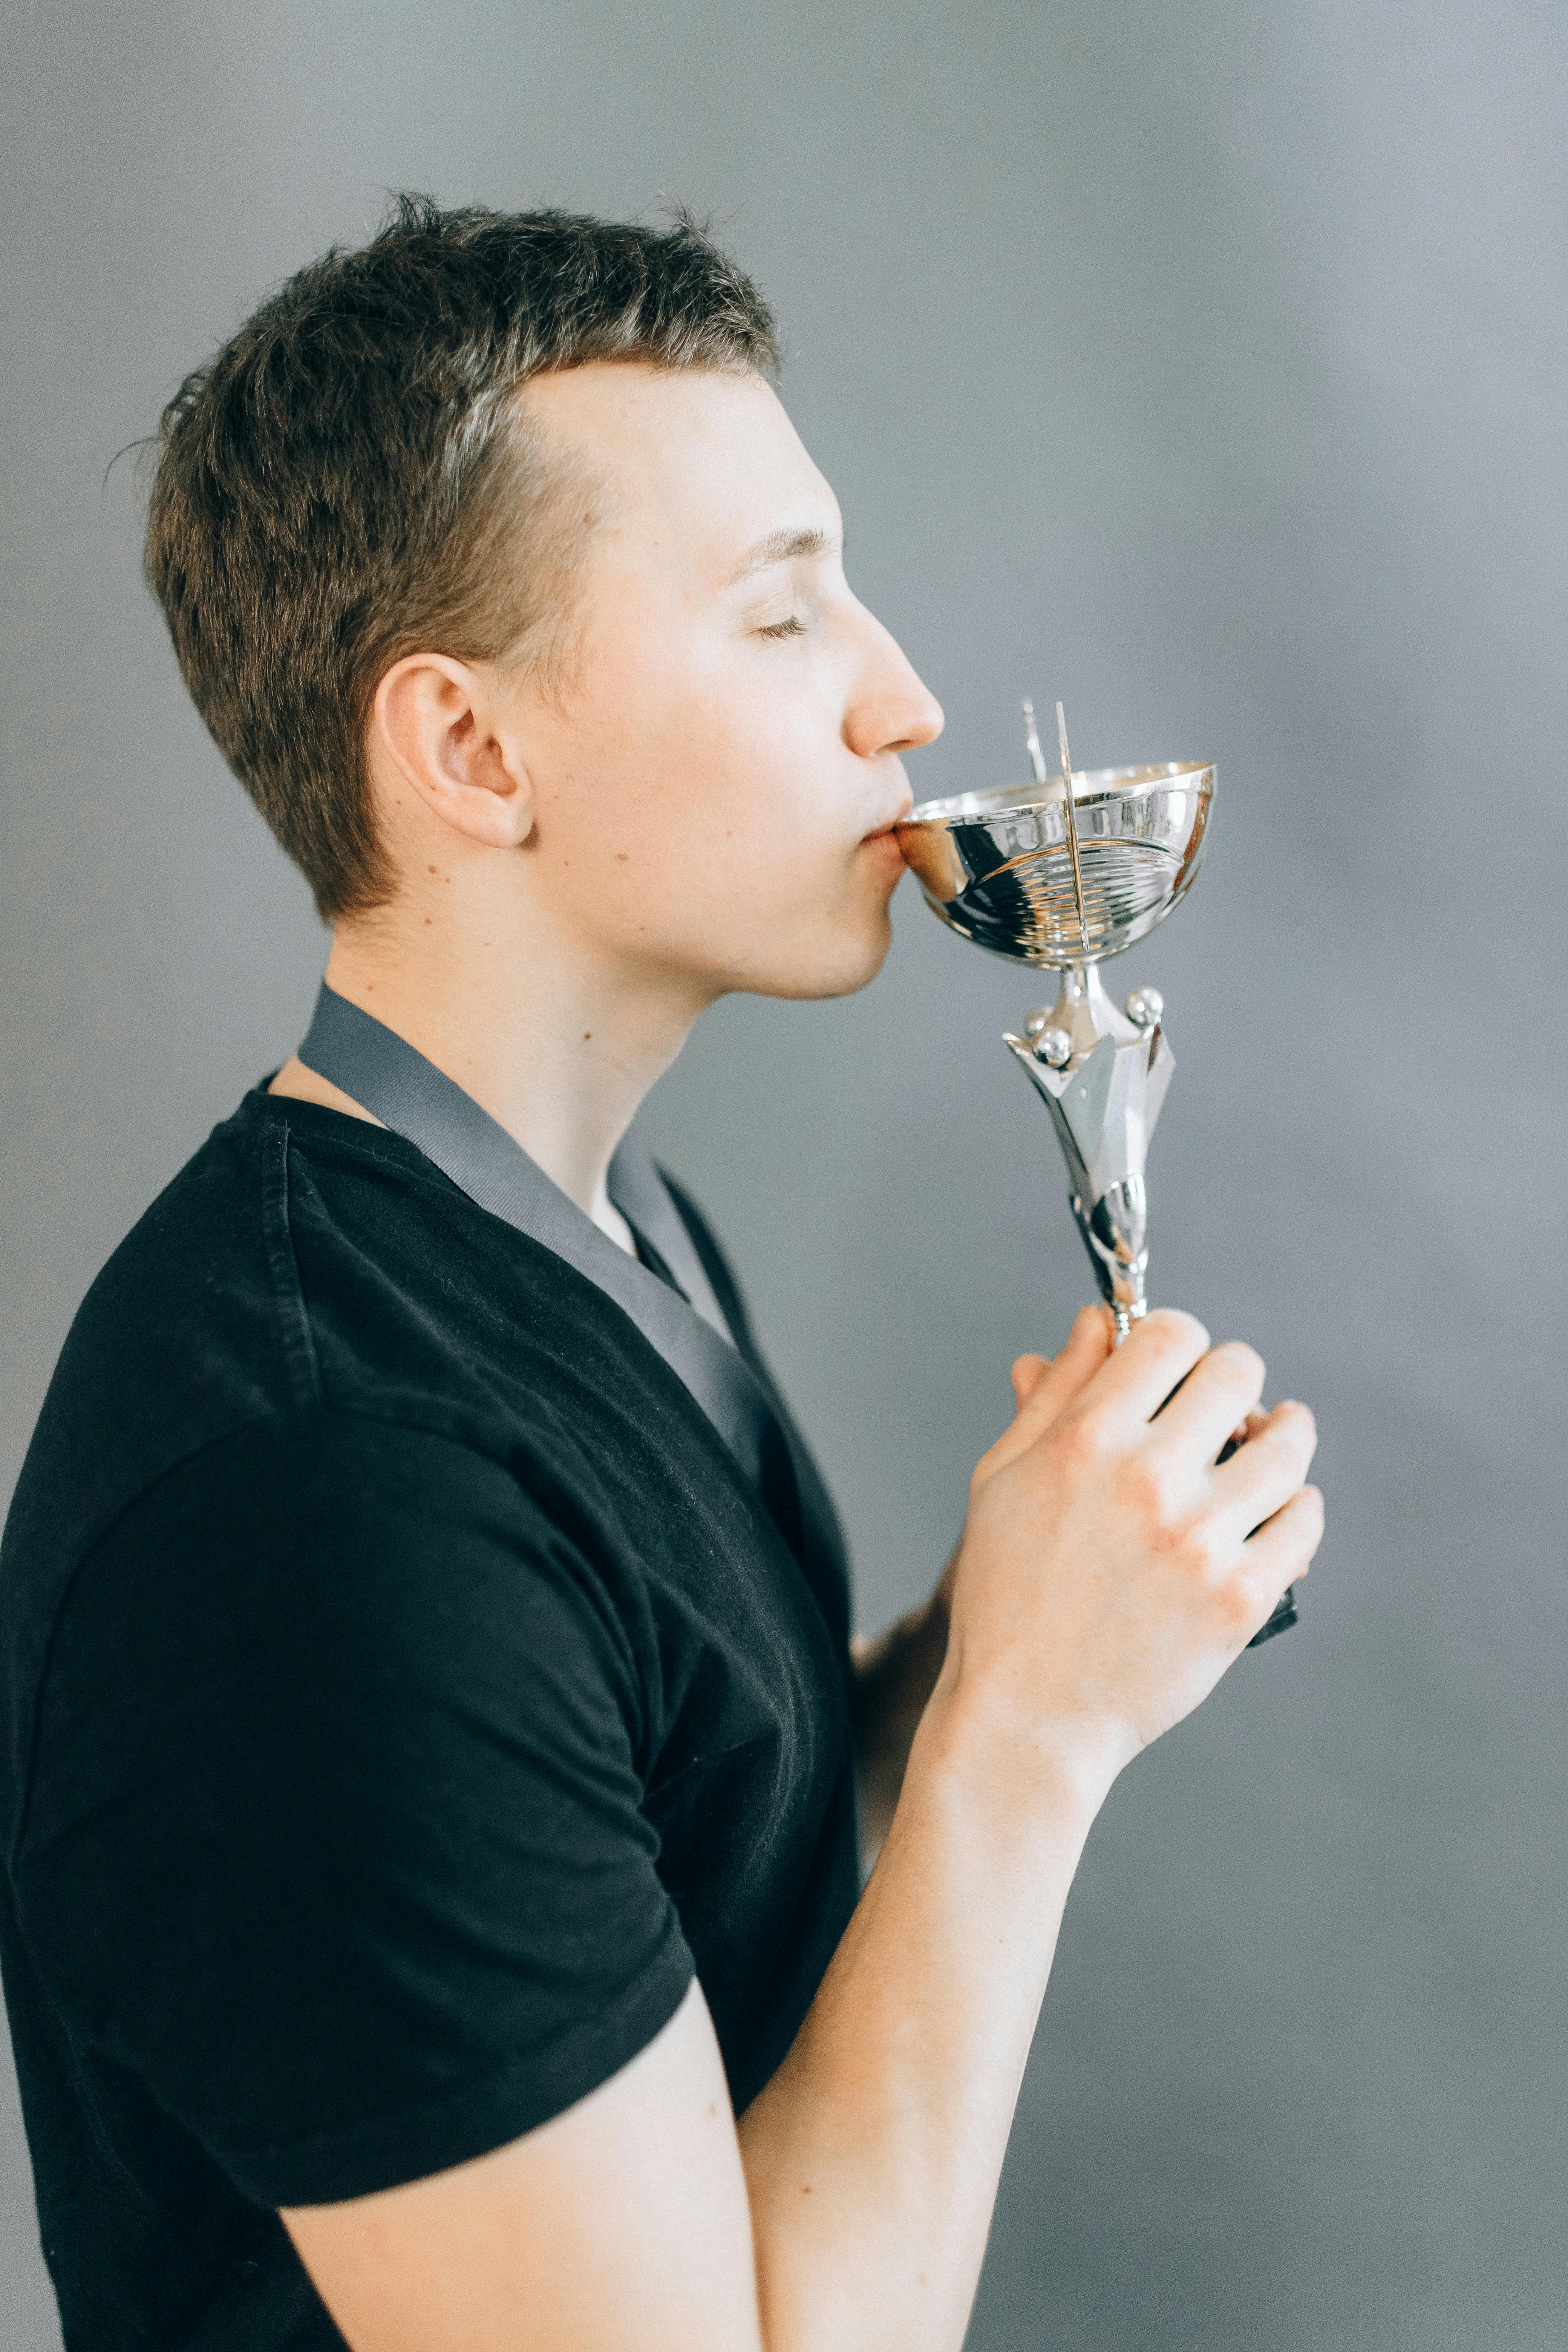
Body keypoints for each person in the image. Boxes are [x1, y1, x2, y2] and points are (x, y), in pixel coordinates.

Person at [0, 198, 1322, 2352]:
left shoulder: (602, 1239)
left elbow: (689, 1836)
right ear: (471, 754)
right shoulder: (322, 1493)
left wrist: (1000, 1634)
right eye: (784, 621)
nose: (903, 700)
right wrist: (1024, 1736)